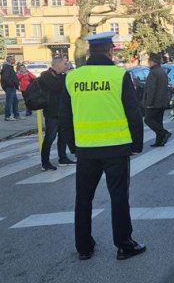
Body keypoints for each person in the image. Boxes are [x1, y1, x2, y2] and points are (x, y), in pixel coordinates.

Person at [59, 32, 145, 261]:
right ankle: (124, 244)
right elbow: (133, 113)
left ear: (89, 52)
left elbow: (64, 117)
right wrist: (137, 143)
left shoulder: (72, 77)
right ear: (110, 51)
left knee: (83, 198)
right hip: (116, 147)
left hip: (86, 148)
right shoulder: (119, 76)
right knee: (119, 197)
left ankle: (84, 247)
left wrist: (73, 146)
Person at [38, 57, 74, 170]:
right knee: (50, 137)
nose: (66, 65)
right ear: (57, 64)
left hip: (62, 111)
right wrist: (66, 75)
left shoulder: (62, 76)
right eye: (64, 63)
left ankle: (62, 158)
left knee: (63, 136)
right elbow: (56, 87)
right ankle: (45, 162)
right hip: (51, 112)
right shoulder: (45, 75)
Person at [143, 54, 172, 147]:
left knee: (148, 120)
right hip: (162, 102)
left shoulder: (153, 72)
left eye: (149, 61)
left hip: (154, 102)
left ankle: (164, 133)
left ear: (153, 62)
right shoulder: (162, 71)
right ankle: (159, 141)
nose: (148, 63)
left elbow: (151, 90)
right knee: (158, 121)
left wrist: (149, 103)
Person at [0, 56, 21, 121]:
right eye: (13, 59)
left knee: (15, 101)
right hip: (9, 87)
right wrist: (12, 84)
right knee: (9, 101)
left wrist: (16, 85)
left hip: (12, 87)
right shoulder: (7, 67)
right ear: (9, 60)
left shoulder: (9, 67)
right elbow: (5, 78)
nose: (14, 60)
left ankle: (16, 115)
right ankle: (7, 116)